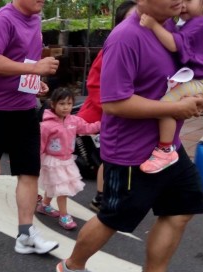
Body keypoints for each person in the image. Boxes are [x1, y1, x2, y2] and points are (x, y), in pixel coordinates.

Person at [56, 0, 203, 272]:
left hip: (169, 149)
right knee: (113, 219)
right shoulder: (125, 38)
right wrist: (175, 109)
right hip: (130, 154)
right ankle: (72, 266)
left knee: (181, 209)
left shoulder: (170, 27)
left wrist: (194, 96)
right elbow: (114, 103)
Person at [0, 0, 59, 255]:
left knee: (29, 171)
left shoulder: (34, 19)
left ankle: (25, 234)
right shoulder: (3, 19)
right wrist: (34, 68)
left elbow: (22, 61)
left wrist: (34, 82)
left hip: (24, 109)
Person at [138, 0, 203, 174]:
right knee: (176, 103)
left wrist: (153, 25)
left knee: (166, 105)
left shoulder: (199, 23)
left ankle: (165, 150)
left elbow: (173, 44)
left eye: (189, 0)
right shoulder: (193, 22)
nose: (182, 4)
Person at [76, 0, 137, 212]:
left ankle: (114, 195)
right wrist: (114, 108)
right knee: (107, 159)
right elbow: (93, 84)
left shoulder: (136, 48)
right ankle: (101, 198)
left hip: (116, 117)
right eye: (133, 18)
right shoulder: (113, 47)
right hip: (98, 118)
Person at [36, 88, 100, 230]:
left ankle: (44, 205)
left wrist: (102, 124)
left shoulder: (74, 120)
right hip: (52, 161)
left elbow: (87, 128)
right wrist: (34, 161)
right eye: (62, 103)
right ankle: (64, 215)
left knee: (55, 185)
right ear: (53, 104)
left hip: (67, 160)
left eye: (69, 103)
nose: (66, 107)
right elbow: (40, 145)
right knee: (62, 190)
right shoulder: (47, 125)